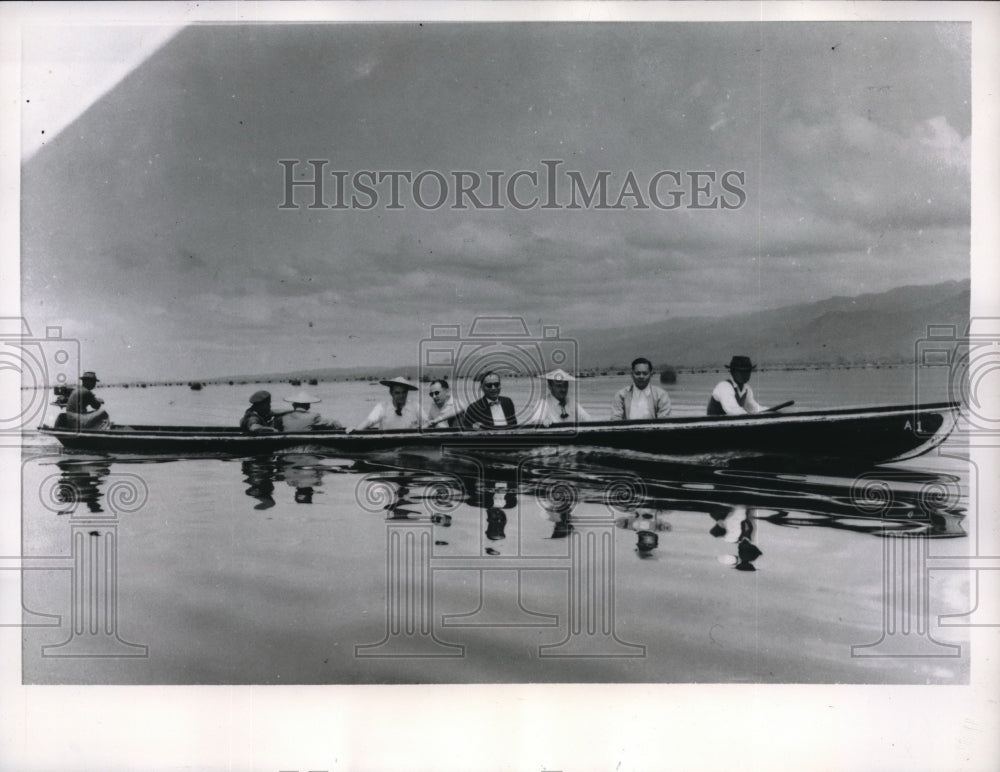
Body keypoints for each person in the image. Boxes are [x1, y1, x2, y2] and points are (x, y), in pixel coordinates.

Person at [350, 376, 421, 431]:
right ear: (391, 393)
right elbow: (369, 421)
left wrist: (419, 427)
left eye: (404, 392)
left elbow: (427, 423)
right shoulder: (382, 407)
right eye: (397, 393)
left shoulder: (415, 406)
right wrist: (356, 430)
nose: (401, 396)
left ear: (407, 392)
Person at [527, 368, 593, 427]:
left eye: (565, 385)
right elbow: (535, 422)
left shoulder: (571, 402)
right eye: (559, 386)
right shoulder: (543, 403)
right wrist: (543, 422)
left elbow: (588, 420)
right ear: (550, 387)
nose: (563, 389)